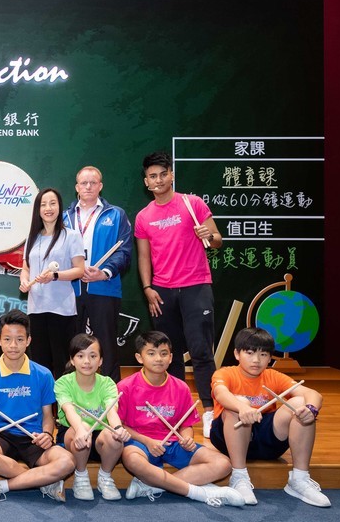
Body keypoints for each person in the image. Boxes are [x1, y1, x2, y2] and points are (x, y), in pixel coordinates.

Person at [135, 151, 222, 437]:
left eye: (163, 174)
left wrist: (206, 236)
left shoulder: (192, 203)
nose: (158, 180)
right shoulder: (144, 217)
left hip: (196, 286)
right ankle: (175, 412)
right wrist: (148, 288)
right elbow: (144, 257)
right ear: (146, 182)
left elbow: (218, 240)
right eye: (152, 176)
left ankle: (210, 412)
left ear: (171, 175)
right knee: (166, 355)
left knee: (200, 351)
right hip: (162, 292)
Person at [117, 331, 243, 507]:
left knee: (223, 464)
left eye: (164, 353)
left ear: (171, 357)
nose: (158, 359)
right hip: (141, 443)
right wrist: (147, 441)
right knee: (132, 459)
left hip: (174, 443)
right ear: (139, 357)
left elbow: (186, 424)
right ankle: (198, 493)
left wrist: (188, 438)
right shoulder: (125, 386)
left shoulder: (181, 387)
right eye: (151, 353)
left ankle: (153, 486)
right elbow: (119, 425)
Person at [210, 327, 330, 507]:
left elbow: (313, 394)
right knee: (238, 402)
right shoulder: (225, 373)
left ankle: (299, 479)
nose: (256, 360)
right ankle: (239, 477)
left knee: (299, 403)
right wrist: (242, 407)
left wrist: (311, 409)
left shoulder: (273, 376)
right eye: (249, 353)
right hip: (229, 437)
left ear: (270, 357)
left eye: (263, 355)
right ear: (237, 353)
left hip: (266, 440)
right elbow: (220, 393)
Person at [0, 309, 75, 506]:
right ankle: (43, 483)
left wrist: (46, 433)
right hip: (1, 437)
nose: (13, 345)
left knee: (67, 461)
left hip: (34, 438)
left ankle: (2, 486)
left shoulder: (43, 374)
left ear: (28, 341)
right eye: (8, 339)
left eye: (19, 339)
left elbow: (48, 416)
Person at [63, 166, 133, 384]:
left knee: (107, 344)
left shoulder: (115, 214)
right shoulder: (64, 216)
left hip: (104, 287)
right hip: (69, 289)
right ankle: (69, 400)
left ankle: (112, 399)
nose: (88, 186)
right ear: (76, 187)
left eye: (93, 182)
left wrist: (104, 272)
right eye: (84, 183)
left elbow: (124, 250)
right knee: (71, 343)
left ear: (100, 186)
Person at [54, 333, 130, 501]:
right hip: (73, 434)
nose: (87, 361)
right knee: (85, 429)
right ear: (72, 360)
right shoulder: (63, 383)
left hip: (100, 437)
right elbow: (69, 411)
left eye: (93, 356)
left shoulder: (108, 383)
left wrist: (118, 429)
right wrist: (81, 429)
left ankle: (105, 476)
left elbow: (112, 411)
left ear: (101, 360)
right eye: (80, 356)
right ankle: (80, 476)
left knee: (116, 437)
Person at [19, 188, 85, 379]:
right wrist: (24, 281)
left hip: (62, 309)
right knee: (39, 363)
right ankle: (45, 408)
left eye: (52, 203)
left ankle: (62, 408)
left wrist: (54, 276)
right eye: (43, 204)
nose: (48, 208)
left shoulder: (71, 236)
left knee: (62, 362)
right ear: (37, 209)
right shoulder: (31, 238)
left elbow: (79, 270)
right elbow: (26, 268)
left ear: (59, 206)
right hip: (36, 308)